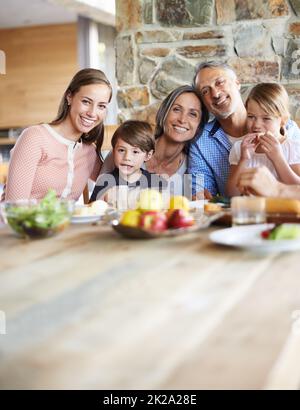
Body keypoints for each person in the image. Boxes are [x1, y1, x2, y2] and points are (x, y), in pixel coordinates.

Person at [188, 61, 300, 198]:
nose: (215, 94)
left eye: (219, 82)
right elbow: (200, 190)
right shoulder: (201, 140)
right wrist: (200, 195)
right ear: (203, 102)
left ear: (237, 83)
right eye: (205, 91)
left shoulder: (288, 130)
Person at [4, 68, 112, 201]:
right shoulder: (34, 138)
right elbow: (15, 206)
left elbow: (113, 181)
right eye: (86, 102)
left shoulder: (89, 152)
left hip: (66, 222)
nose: (92, 113)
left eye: (101, 106)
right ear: (69, 97)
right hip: (20, 221)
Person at [100, 85, 208, 197]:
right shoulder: (124, 153)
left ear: (199, 126)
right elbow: (96, 206)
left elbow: (196, 208)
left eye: (193, 114)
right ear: (164, 113)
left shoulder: (195, 166)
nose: (182, 119)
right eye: (176, 109)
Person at [226, 83, 300, 196]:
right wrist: (244, 159)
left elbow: (296, 189)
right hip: (252, 211)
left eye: (266, 118)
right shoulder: (239, 148)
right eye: (251, 116)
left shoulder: (292, 148)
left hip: (283, 212)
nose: (256, 125)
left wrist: (278, 158)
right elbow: (231, 194)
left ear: (283, 121)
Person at [89, 120, 165, 205]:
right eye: (121, 150)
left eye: (135, 152)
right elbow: (92, 211)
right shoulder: (105, 182)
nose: (127, 157)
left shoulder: (156, 182)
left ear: (148, 155)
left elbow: (164, 213)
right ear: (113, 151)